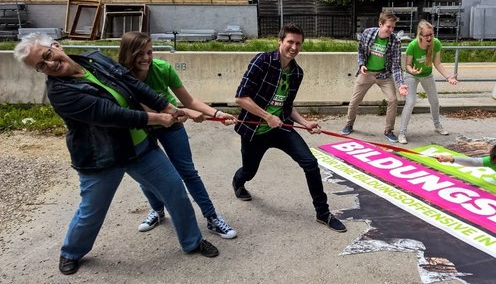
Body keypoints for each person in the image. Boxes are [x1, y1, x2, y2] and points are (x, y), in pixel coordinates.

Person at [13, 33, 218, 276]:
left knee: (175, 190)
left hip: (140, 147)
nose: (50, 65)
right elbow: (111, 114)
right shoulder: (60, 92)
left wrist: (172, 108)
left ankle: (192, 242)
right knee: (92, 210)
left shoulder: (95, 60)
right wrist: (159, 118)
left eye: (47, 56)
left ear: (57, 46)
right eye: (41, 66)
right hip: (102, 157)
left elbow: (135, 86)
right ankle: (71, 251)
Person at [117, 31, 237, 239]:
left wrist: (217, 114)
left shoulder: (163, 69)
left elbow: (189, 101)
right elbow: (144, 106)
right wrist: (184, 113)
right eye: (140, 53)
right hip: (142, 128)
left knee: (188, 172)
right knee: (146, 176)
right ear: (128, 54)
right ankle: (157, 210)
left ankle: (212, 218)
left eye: (150, 52)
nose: (147, 58)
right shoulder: (120, 75)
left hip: (171, 126)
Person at [232, 23, 347, 232]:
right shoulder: (262, 61)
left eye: (298, 44)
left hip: (281, 128)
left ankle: (323, 213)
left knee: (310, 163)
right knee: (249, 170)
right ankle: (238, 182)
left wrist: (305, 122)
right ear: (280, 42)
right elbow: (241, 97)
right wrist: (267, 116)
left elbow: (287, 105)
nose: (294, 47)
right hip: (255, 131)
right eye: (290, 42)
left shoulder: (296, 73)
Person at [340, 9, 409, 143]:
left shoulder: (395, 41)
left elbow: (396, 65)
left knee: (393, 100)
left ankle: (388, 130)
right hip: (366, 73)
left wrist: (400, 84)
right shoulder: (368, 33)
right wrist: (361, 65)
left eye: (393, 27)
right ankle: (349, 124)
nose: (391, 30)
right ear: (380, 24)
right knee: (354, 100)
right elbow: (360, 51)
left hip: (384, 75)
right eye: (388, 26)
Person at [398, 20, 458, 144]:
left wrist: (448, 77)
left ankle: (437, 126)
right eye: (426, 35)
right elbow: (407, 65)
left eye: (431, 34)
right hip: (411, 75)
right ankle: (402, 133)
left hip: (427, 74)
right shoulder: (413, 45)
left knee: (434, 101)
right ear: (420, 35)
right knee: (410, 102)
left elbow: (437, 63)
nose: (429, 37)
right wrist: (412, 71)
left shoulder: (436, 44)